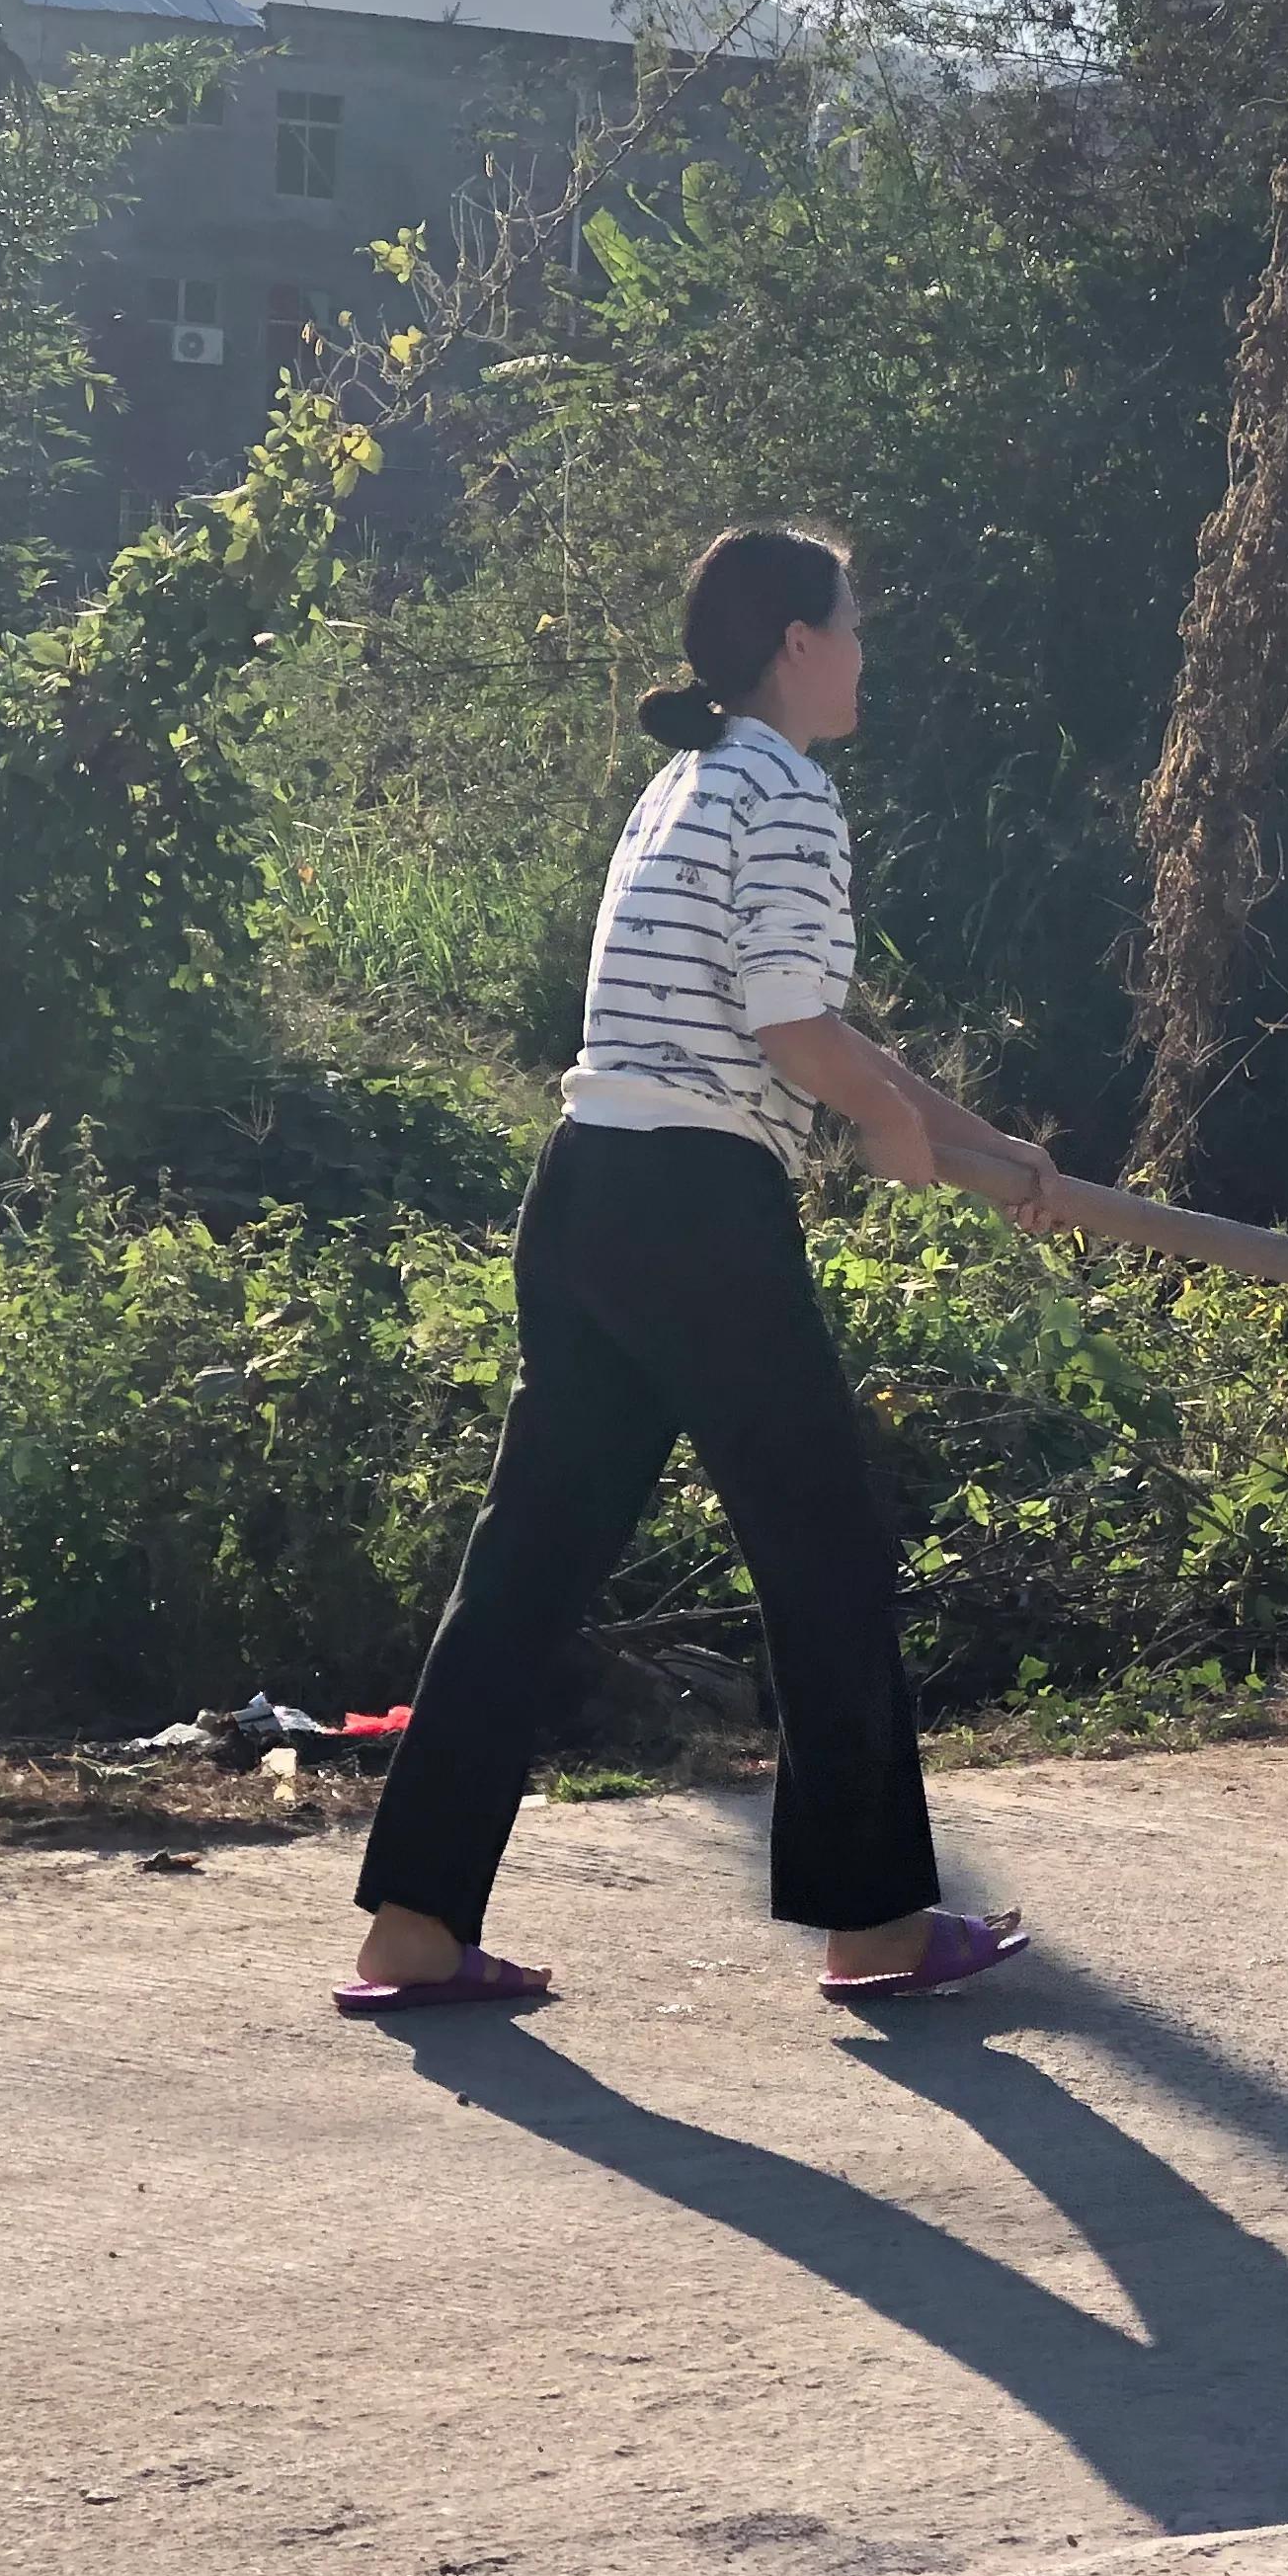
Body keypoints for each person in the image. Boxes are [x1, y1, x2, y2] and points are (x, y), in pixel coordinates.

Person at [339, 524, 1059, 2015]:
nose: (866, 652)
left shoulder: (687, 784)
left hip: (590, 1190)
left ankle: (413, 1926)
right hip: (693, 1211)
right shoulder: (790, 792)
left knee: (527, 1563)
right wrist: (877, 1121)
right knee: (825, 1555)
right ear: (797, 642)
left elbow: (791, 1031)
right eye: (853, 625)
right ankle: (875, 1924)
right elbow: (798, 1033)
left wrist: (981, 1146)